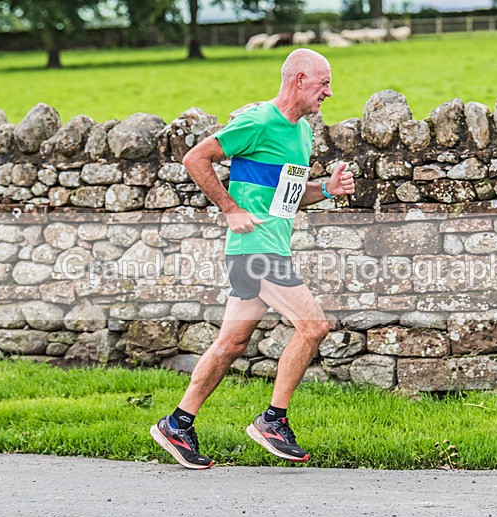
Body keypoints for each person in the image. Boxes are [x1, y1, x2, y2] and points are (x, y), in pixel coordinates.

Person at [150, 48, 355, 470]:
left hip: (272, 246)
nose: (329, 93)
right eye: (323, 83)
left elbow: (287, 200)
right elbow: (196, 158)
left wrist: (328, 190)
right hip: (254, 250)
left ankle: (177, 423)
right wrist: (229, 208)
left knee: (230, 344)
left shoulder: (301, 134)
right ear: (299, 79)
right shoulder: (258, 121)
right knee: (314, 325)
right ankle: (273, 421)